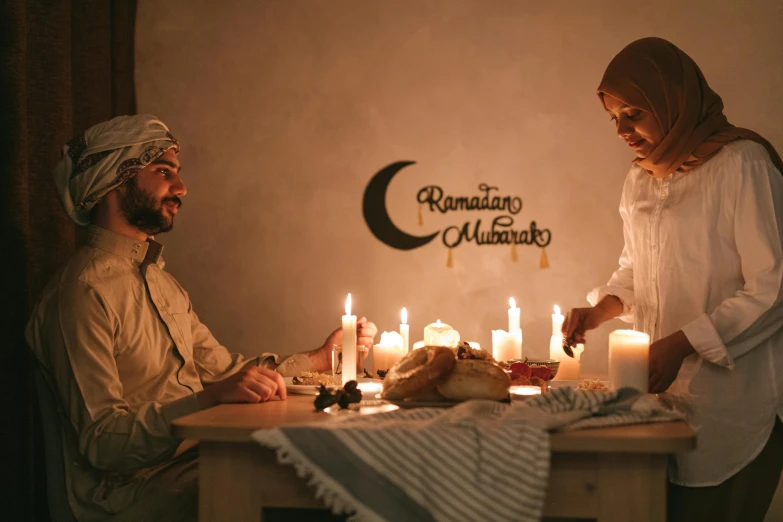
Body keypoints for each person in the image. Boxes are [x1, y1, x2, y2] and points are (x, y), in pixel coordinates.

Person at [25, 114, 378, 521]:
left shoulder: (161, 283)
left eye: (177, 173)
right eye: (163, 172)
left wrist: (319, 358)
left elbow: (229, 376)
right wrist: (209, 398)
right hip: (129, 496)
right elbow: (103, 443)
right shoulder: (82, 293)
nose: (181, 188)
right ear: (113, 180)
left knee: (335, 474)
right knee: (320, 496)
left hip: (193, 463)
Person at [562, 37, 783, 522]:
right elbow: (637, 270)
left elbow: (773, 289)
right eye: (614, 118)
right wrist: (601, 310)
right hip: (663, 405)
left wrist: (682, 343)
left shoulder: (743, 163)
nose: (622, 130)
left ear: (673, 101)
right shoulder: (641, 178)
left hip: (735, 406)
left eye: (634, 113)